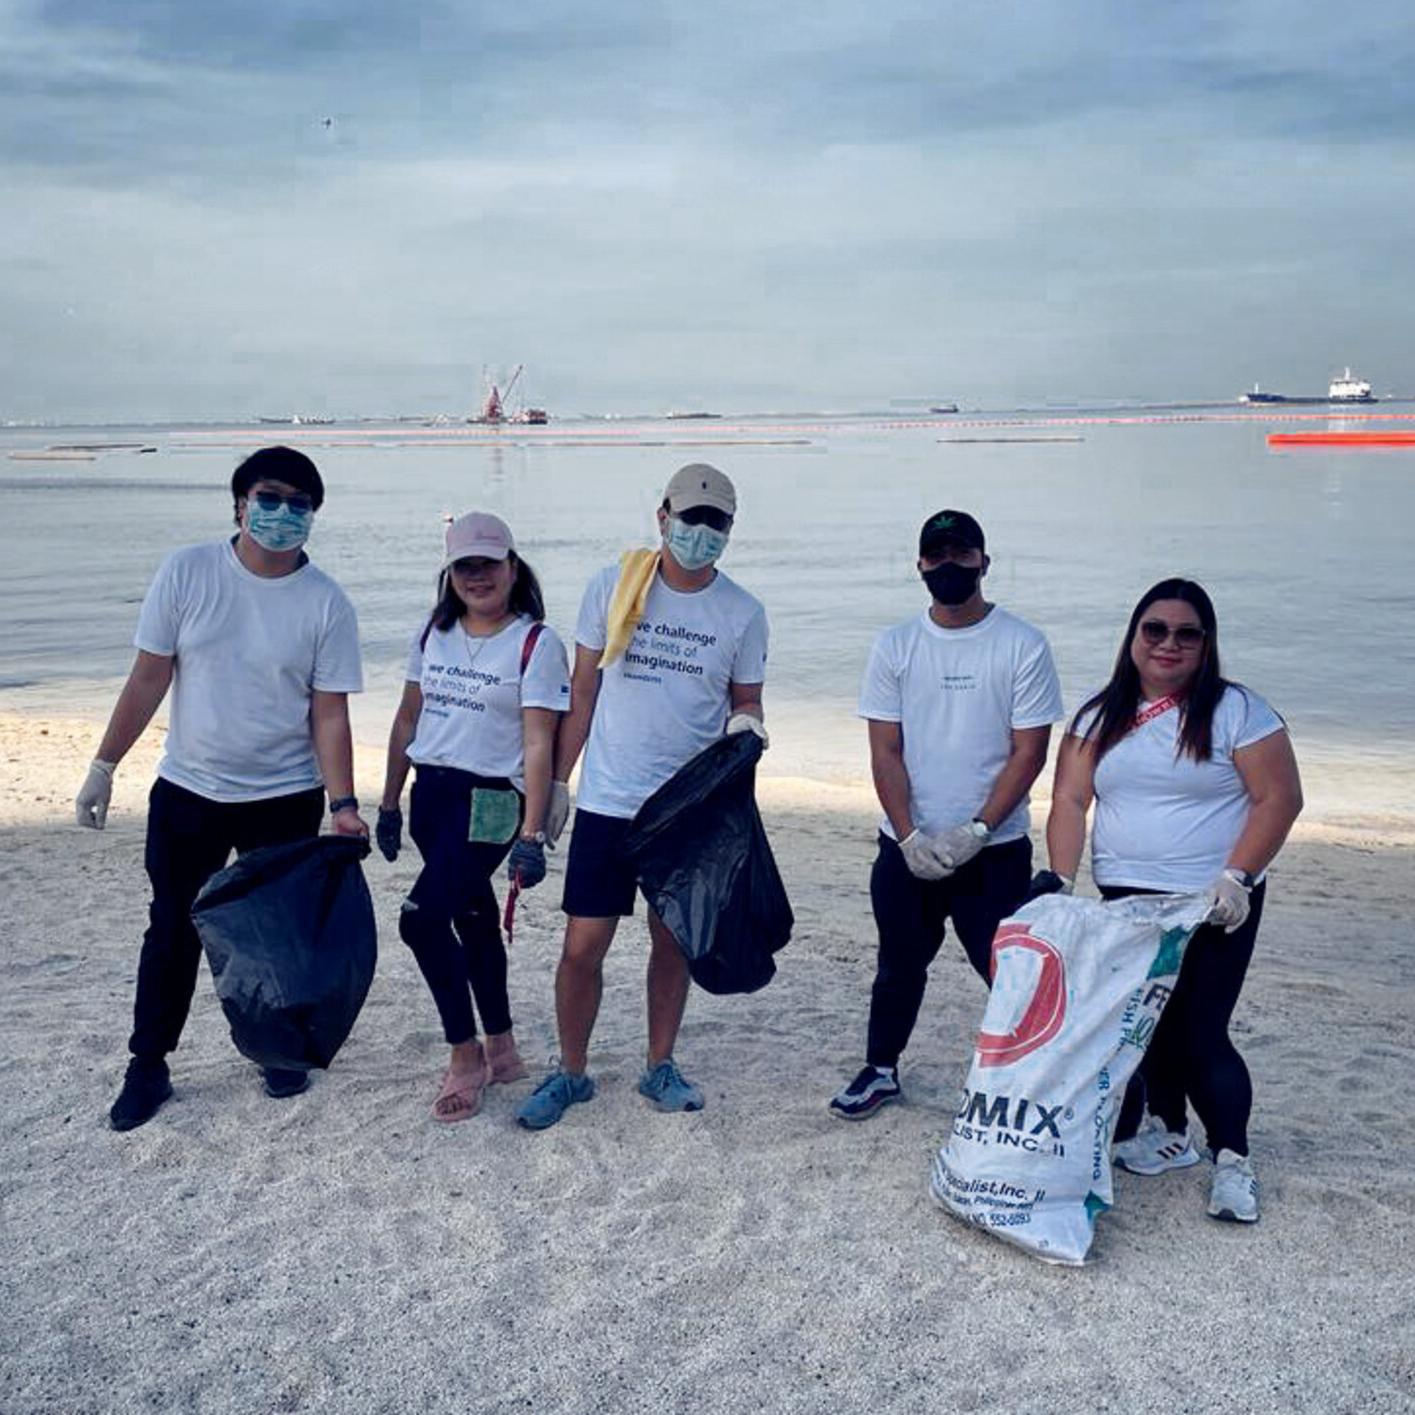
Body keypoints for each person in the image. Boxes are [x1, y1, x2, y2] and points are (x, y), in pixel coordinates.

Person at [77, 446, 366, 1132]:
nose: (283, 513)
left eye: (300, 504)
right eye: (270, 497)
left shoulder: (326, 602)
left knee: (278, 935)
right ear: (239, 502)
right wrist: (103, 763)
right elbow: (150, 675)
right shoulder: (188, 571)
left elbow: (329, 711)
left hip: (285, 792)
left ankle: (278, 1051)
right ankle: (148, 1063)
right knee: (172, 929)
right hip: (190, 788)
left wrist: (344, 802)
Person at [1039, 578, 1303, 1223]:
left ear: (1206, 645)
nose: (1169, 644)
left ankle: (1233, 1159)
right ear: (1134, 636)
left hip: (1213, 902)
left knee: (1201, 1032)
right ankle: (1167, 1131)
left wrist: (1238, 877)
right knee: (1145, 1026)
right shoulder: (1099, 716)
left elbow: (1280, 800)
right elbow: (1071, 800)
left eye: (1187, 633)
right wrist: (1059, 879)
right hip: (1127, 897)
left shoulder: (1239, 711)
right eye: (1155, 629)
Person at [515, 463, 768, 1130]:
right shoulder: (613, 585)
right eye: (690, 519)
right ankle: (571, 1071)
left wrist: (748, 725)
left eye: (715, 523)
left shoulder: (743, 612)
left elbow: (745, 699)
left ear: (729, 531)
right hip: (607, 801)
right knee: (581, 946)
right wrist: (560, 784)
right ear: (662, 517)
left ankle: (660, 1064)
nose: (700, 533)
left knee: (672, 942)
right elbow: (583, 690)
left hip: (687, 810)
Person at [829, 509, 1063, 1120]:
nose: (951, 566)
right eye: (939, 556)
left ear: (985, 562)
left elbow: (1030, 750)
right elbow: (886, 749)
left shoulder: (1022, 644)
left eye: (963, 555)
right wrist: (907, 836)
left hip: (995, 850)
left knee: (1009, 972)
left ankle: (1037, 1076)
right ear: (921, 566)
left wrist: (978, 829)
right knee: (898, 964)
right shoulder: (896, 645)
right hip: (907, 846)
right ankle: (880, 1069)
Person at [377, 512, 570, 1122]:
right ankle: (504, 1048)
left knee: (419, 922)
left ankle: (465, 1057)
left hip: (491, 803)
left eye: (490, 563)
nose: (478, 576)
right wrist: (387, 800)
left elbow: (539, 743)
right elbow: (408, 719)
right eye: (466, 566)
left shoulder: (536, 642)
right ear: (449, 573)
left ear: (513, 567)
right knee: (473, 916)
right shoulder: (433, 633)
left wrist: (532, 833)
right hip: (430, 798)